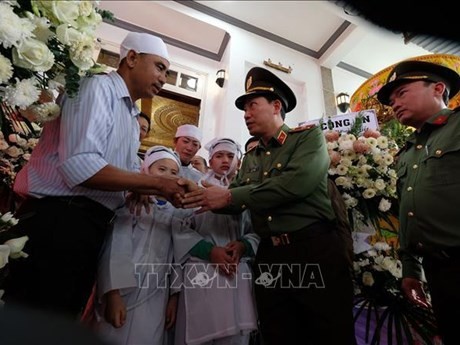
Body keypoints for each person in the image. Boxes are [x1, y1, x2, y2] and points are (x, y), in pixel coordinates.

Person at [4, 32, 194, 318]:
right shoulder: (96, 86)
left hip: (86, 224)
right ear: (131, 58)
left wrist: (142, 187)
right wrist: (156, 183)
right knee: (35, 318)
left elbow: (124, 170)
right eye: (159, 67)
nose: (163, 78)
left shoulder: (130, 116)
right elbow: (81, 167)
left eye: (166, 71)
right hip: (59, 221)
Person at [182, 67, 356, 345]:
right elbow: (236, 200)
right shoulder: (251, 156)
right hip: (270, 255)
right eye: (244, 109)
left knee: (328, 331)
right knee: (278, 332)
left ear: (276, 106)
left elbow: (296, 184)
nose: (246, 114)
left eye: (252, 106)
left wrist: (227, 196)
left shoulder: (307, 138)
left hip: (312, 248)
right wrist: (200, 195)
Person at [376, 60, 460, 345]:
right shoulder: (408, 152)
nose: (394, 104)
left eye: (402, 92)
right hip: (439, 273)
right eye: (391, 99)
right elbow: (407, 212)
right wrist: (411, 270)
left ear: (438, 88)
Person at [94, 146, 192, 345]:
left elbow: (177, 257)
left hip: (156, 294)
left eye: (174, 172)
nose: (168, 176)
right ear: (146, 171)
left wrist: (173, 296)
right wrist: (113, 293)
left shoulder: (176, 213)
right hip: (124, 291)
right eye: (161, 169)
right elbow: (116, 248)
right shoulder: (132, 205)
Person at [174, 137, 259, 345]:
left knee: (236, 336)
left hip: (236, 269)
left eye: (231, 156)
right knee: (200, 331)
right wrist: (210, 251)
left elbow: (256, 230)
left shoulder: (246, 194)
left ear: (238, 162)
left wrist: (243, 245)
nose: (225, 161)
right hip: (203, 271)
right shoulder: (196, 188)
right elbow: (179, 228)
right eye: (219, 156)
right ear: (210, 161)